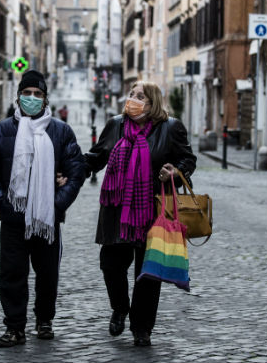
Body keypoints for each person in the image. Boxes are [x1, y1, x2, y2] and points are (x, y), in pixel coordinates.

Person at [84, 81, 197, 347]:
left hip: (153, 209)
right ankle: (121, 307)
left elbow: (188, 159)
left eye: (140, 96)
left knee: (147, 274)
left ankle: (142, 328)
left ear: (153, 102)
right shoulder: (116, 125)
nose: (133, 99)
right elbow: (97, 156)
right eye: (132, 94)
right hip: (116, 211)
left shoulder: (170, 128)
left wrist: (175, 172)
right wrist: (71, 168)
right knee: (111, 265)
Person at [0, 69, 85, 347]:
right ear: (18, 96)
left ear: (45, 99)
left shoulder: (61, 131)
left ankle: (44, 320)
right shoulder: (3, 129)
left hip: (46, 217)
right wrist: (0, 200)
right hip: (13, 217)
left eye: (37, 94)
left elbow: (76, 172)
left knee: (47, 273)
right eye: (26, 93)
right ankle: (15, 328)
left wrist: (57, 202)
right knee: (12, 273)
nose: (31, 98)